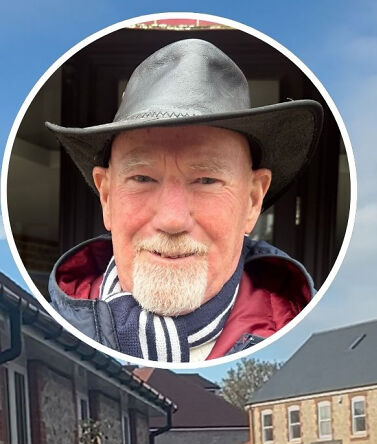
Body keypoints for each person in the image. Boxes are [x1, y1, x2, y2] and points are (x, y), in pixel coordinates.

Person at [45, 38, 323, 362]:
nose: (172, 220)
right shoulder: (50, 330)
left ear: (252, 201)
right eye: (142, 178)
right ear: (106, 196)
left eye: (206, 180)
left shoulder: (298, 347)